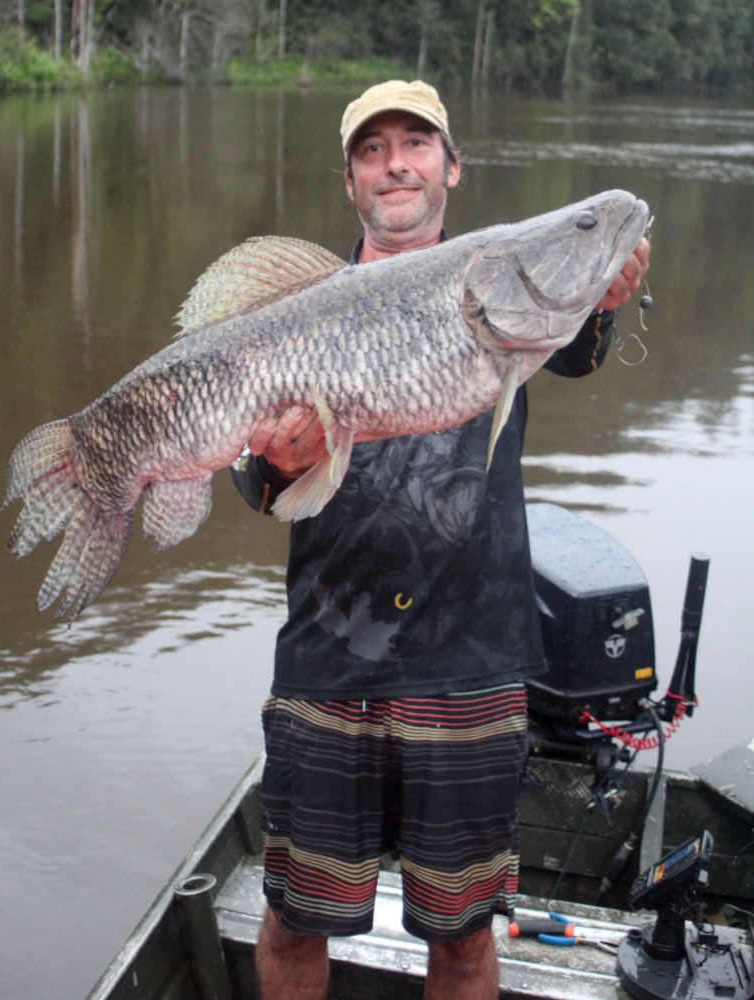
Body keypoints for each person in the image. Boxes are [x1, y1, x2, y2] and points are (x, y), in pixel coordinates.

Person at [231, 79, 650, 1000]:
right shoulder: (299, 305)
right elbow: (256, 486)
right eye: (371, 150)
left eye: (414, 143)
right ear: (351, 183)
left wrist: (604, 293)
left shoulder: (508, 290)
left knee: (462, 938)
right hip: (329, 657)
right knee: (294, 918)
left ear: (451, 168)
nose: (395, 164)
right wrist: (275, 459)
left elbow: (576, 343)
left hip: (469, 658)